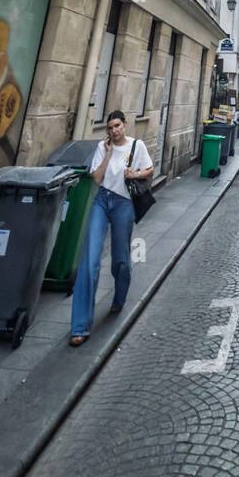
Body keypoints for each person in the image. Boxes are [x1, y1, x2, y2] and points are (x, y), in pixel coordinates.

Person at [70, 111, 153, 347]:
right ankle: (79, 327)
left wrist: (134, 173)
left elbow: (149, 170)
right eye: (110, 127)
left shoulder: (137, 146)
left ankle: (119, 296)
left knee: (121, 260)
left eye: (117, 126)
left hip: (123, 203)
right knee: (89, 260)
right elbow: (96, 179)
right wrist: (106, 155)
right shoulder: (101, 147)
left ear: (125, 125)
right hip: (102, 201)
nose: (114, 130)